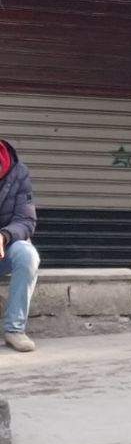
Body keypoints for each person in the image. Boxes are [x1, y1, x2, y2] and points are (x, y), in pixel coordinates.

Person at [0, 138, 38, 352]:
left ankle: (14, 330)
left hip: (5, 248)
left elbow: (26, 220)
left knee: (27, 254)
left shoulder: (18, 173)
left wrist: (4, 236)